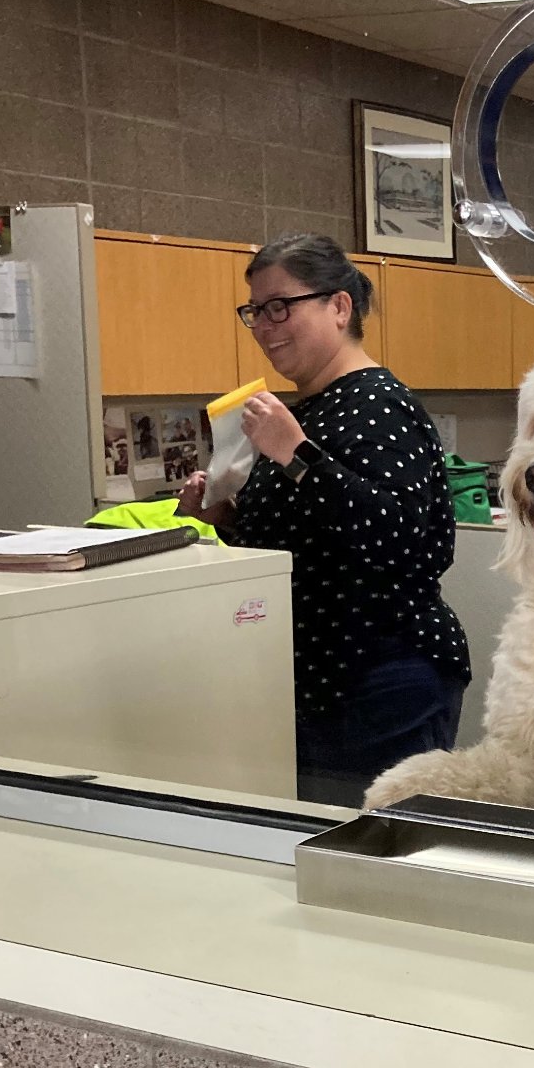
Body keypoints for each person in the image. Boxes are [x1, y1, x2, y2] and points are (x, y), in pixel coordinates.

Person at [178, 232, 469, 806]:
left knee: (380, 860)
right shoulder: (307, 410)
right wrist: (224, 518)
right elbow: (311, 539)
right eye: (255, 311)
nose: (265, 325)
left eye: (281, 306)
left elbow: (410, 541)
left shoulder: (379, 402)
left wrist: (297, 454)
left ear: (339, 307)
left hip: (383, 681)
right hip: (316, 684)